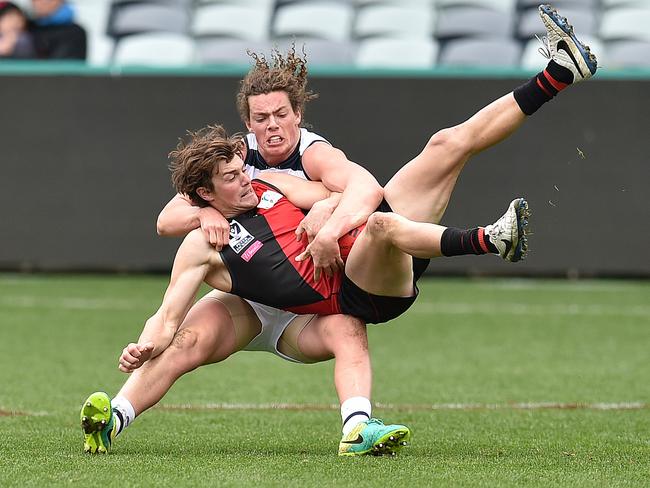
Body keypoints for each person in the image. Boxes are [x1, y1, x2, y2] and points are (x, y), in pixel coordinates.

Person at [80, 5, 597, 457]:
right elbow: (168, 218)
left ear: (298, 114)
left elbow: (364, 188)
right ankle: (112, 419)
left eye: (281, 114)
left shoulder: (308, 155)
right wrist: (208, 212)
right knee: (185, 339)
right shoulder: (234, 163)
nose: (272, 126)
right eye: (261, 118)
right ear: (248, 123)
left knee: (441, 150)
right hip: (258, 293)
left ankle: (556, 75)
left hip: (337, 273)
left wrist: (329, 220)